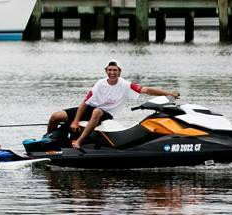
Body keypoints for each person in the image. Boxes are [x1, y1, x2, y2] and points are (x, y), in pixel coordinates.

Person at [45, 60, 179, 149]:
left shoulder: (126, 85)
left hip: (106, 113)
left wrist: (168, 93)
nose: (112, 72)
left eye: (115, 70)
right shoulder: (100, 84)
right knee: (55, 116)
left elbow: (146, 90)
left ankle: (79, 142)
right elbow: (85, 103)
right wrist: (75, 121)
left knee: (97, 111)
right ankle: (49, 140)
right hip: (91, 109)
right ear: (106, 71)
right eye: (110, 70)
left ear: (119, 72)